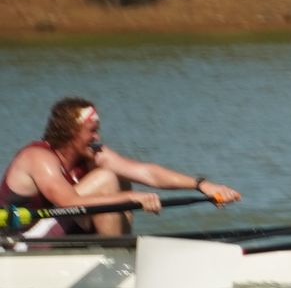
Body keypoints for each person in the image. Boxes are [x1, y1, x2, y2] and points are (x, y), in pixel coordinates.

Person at [4, 98, 241, 238]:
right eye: (92, 130)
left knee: (117, 175)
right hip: (20, 239)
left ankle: (120, 249)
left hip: (59, 230)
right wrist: (130, 197)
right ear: (71, 132)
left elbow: (148, 173)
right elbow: (68, 203)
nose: (97, 136)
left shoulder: (95, 154)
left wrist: (202, 185)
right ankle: (115, 255)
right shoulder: (38, 158)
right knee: (107, 179)